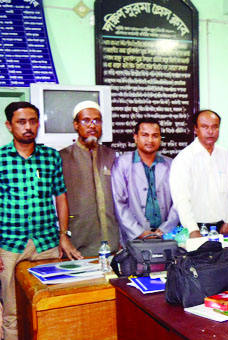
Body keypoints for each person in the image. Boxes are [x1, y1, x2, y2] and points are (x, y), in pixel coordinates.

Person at [0, 102, 82, 340]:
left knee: (49, 305)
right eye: (21, 122)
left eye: (33, 121)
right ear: (9, 125)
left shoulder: (50, 157)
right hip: (9, 246)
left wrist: (63, 235)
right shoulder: (1, 159)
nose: (28, 127)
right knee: (13, 311)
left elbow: (61, 196)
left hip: (46, 244)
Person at [60, 100, 119, 257]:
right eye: (86, 120)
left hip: (112, 243)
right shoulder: (62, 157)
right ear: (76, 125)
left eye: (97, 121)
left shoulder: (112, 156)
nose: (92, 125)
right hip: (77, 245)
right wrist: (62, 234)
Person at [111, 118, 179, 246]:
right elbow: (119, 202)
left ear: (160, 139)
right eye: (145, 135)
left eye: (155, 136)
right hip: (134, 238)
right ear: (136, 137)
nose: (150, 140)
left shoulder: (171, 164)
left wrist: (165, 229)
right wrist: (139, 232)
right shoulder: (122, 163)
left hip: (166, 236)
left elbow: (178, 201)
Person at [170, 110, 228, 238]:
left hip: (224, 227)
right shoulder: (184, 158)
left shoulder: (226, 156)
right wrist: (192, 229)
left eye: (215, 127)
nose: (210, 131)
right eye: (205, 127)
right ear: (195, 129)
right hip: (196, 229)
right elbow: (181, 199)